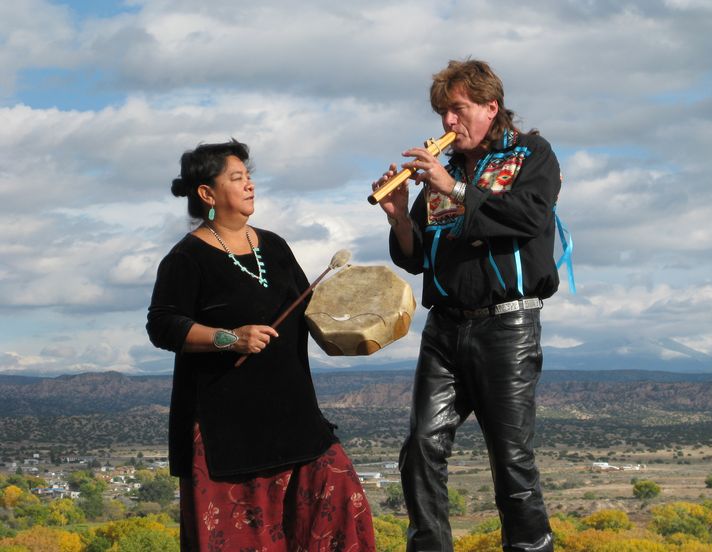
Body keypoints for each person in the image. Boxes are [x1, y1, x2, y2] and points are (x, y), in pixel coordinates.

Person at [147, 140, 375, 551]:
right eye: (237, 178)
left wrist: (363, 322)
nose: (250, 185)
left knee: (344, 509)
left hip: (298, 421)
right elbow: (162, 326)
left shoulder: (274, 245)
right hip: (229, 434)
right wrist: (229, 338)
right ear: (207, 194)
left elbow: (312, 311)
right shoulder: (187, 257)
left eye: (249, 176)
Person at [373, 59, 559, 551]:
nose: (448, 124)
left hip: (508, 326)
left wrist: (454, 188)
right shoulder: (446, 168)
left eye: (457, 110)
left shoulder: (531, 154)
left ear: (490, 107)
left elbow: (527, 217)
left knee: (511, 460)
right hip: (445, 327)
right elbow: (416, 259)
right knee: (421, 446)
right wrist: (397, 217)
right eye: (442, 114)